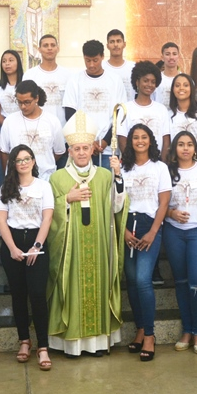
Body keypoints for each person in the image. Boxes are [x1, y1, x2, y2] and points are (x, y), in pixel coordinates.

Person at [47, 111, 128, 356]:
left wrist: (118, 176)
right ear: (69, 151)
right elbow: (49, 215)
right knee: (72, 289)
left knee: (98, 288)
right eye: (76, 149)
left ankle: (97, 344)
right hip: (71, 250)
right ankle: (72, 345)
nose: (81, 152)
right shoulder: (57, 179)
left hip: (99, 246)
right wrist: (66, 199)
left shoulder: (104, 176)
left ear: (93, 149)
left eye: (85, 148)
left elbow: (117, 207)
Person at [0, 144, 56, 370]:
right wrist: (12, 248)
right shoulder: (6, 187)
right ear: (13, 164)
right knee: (18, 294)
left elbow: (47, 218)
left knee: (38, 294)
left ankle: (43, 346)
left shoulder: (43, 186)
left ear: (33, 161)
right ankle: (24, 341)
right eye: (18, 160)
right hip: (12, 243)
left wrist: (37, 246)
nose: (23, 163)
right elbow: (2, 220)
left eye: (27, 158)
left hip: (36, 242)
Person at [118, 124, 171, 362]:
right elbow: (115, 202)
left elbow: (164, 202)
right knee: (131, 279)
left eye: (144, 137)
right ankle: (139, 328)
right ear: (130, 142)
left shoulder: (160, 167)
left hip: (150, 224)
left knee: (142, 279)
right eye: (135, 137)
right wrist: (123, 230)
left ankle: (149, 334)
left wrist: (153, 231)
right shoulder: (123, 168)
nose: (140, 141)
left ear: (151, 141)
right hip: (128, 225)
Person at [165, 130, 197, 355]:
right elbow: (160, 204)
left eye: (189, 144)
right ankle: (186, 330)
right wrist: (171, 213)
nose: (185, 148)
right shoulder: (167, 171)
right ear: (175, 148)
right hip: (174, 232)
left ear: (195, 148)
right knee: (181, 282)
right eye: (181, 144)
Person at [63, 39, 127, 164]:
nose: (91, 65)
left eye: (95, 60)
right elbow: (70, 114)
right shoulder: (75, 80)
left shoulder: (115, 80)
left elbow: (119, 115)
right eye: (88, 60)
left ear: (102, 56)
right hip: (82, 148)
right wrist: (88, 141)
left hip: (108, 149)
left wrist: (105, 141)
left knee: (106, 177)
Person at [0, 80, 65, 180]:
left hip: (46, 179)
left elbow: (59, 152)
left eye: (27, 102)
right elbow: (4, 152)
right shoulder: (9, 121)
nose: (23, 106)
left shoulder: (52, 121)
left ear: (36, 98)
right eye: (19, 102)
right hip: (17, 180)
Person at [117, 60, 171, 160]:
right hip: (133, 163)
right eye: (145, 81)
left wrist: (162, 164)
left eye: (153, 82)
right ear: (137, 82)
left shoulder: (161, 109)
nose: (149, 85)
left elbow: (166, 140)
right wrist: (132, 162)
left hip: (157, 162)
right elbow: (122, 139)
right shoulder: (125, 109)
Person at [24, 34, 71, 126]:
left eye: (53, 45)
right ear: (39, 49)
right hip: (38, 126)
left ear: (58, 49)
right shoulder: (29, 75)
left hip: (62, 127)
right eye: (45, 45)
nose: (49, 48)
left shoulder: (68, 75)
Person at [0, 49, 24, 124]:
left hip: (24, 124)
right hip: (4, 125)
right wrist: (7, 126)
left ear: (18, 63)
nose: (7, 64)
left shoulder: (25, 83)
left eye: (11, 60)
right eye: (4, 61)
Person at [103, 29, 136, 101]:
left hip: (128, 107)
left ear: (124, 44)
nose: (115, 45)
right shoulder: (101, 67)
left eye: (118, 41)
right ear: (107, 46)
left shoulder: (133, 67)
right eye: (112, 42)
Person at [154, 41, 181, 106]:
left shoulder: (185, 79)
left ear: (178, 57)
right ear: (162, 58)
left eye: (174, 54)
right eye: (167, 54)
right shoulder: (156, 79)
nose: (171, 57)